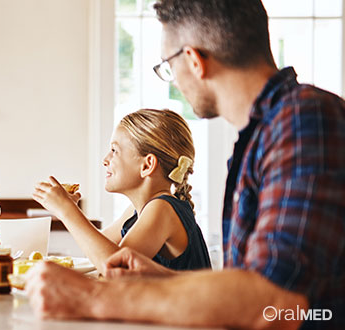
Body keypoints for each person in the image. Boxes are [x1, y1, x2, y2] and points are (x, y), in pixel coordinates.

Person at [26, 0, 344, 329]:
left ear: (194, 60)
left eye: (167, 65)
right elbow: (252, 288)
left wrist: (90, 297)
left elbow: (273, 300)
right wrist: (162, 279)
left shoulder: (305, 121)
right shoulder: (263, 137)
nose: (173, 80)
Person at [33, 109, 210, 273]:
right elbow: (95, 251)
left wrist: (67, 211)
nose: (105, 160)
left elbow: (115, 268)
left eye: (114, 150)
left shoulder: (162, 209)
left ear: (147, 165)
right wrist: (71, 208)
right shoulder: (136, 212)